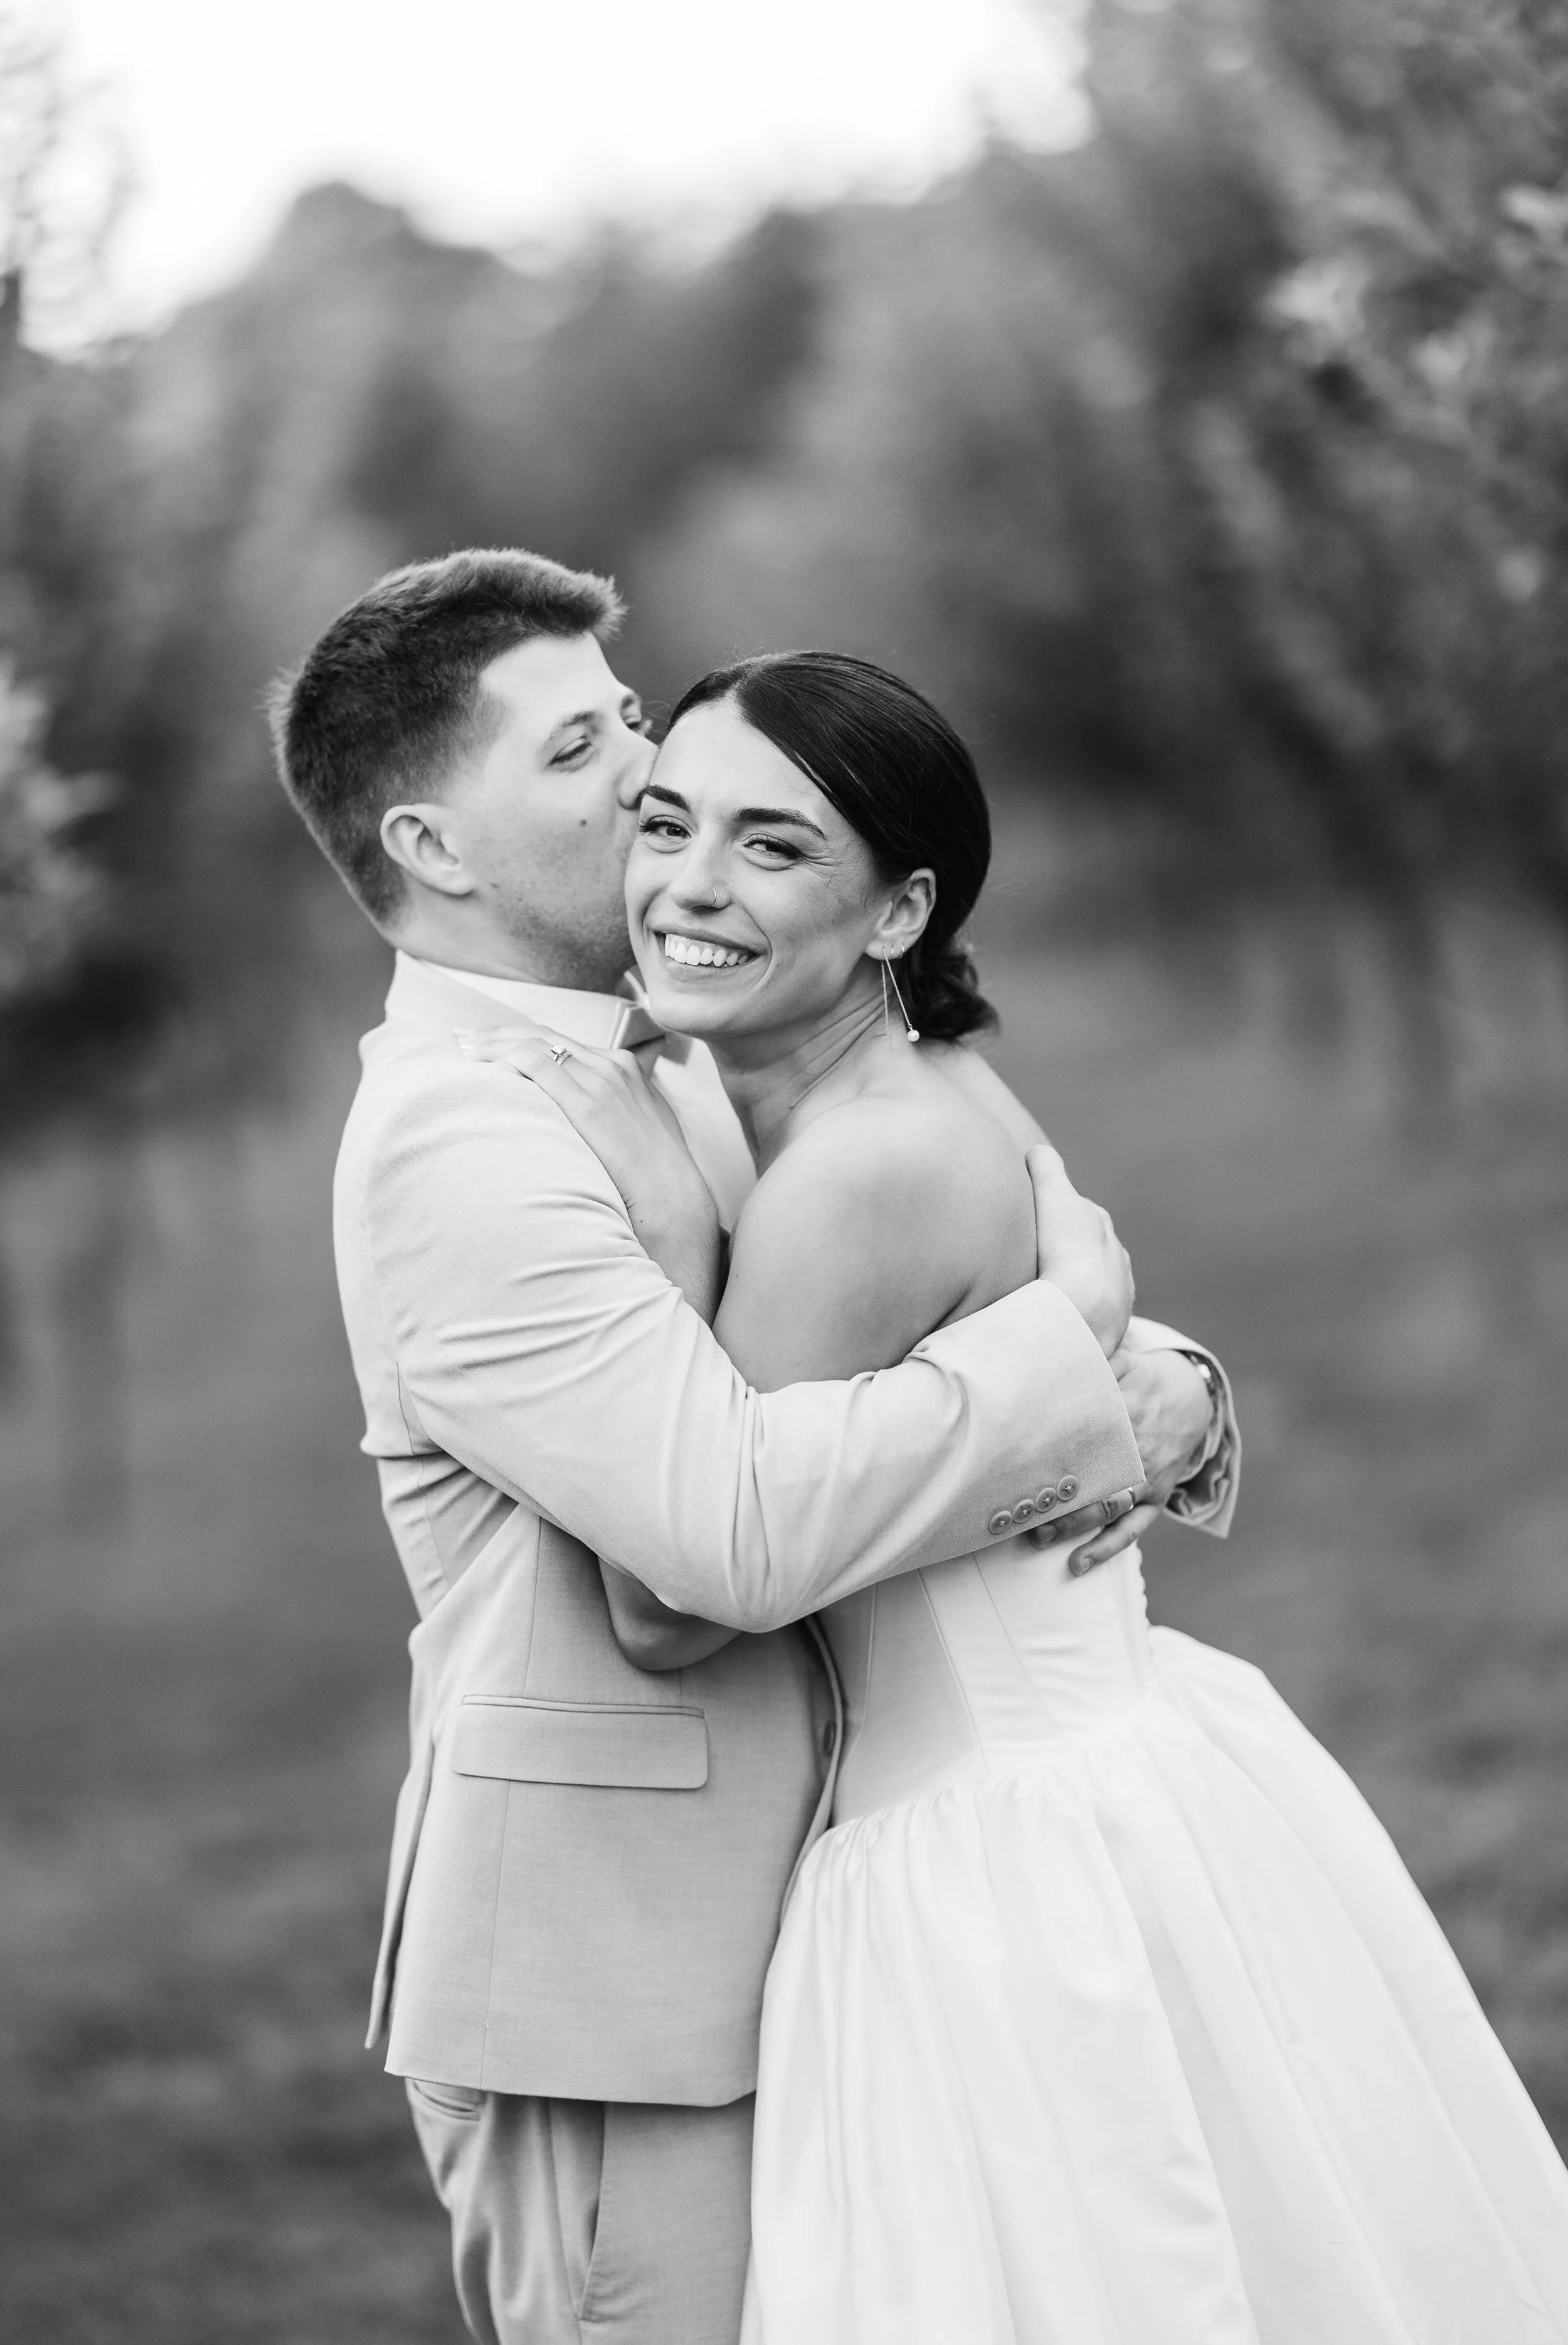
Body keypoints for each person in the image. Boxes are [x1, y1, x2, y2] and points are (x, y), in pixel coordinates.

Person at [489, 647, 1568, 2344]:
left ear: (897, 907)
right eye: (667, 821)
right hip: (1116, 1766)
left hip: (988, 1844)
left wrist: (1094, 1380)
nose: (688, 885)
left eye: (772, 847)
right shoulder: (843, 1085)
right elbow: (1035, 1366)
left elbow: (677, 1592)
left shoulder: (859, 1166)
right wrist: (1123, 1380)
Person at [268, 548, 1238, 2345]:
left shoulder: (686, 1050)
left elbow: (913, 1267)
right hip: (611, 1975)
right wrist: (1058, 1351)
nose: (646, 783)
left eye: (632, 722)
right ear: (432, 847)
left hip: (827, 1909)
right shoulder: (459, 1142)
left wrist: (1151, 1371)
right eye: (578, 754)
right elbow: (714, 1538)